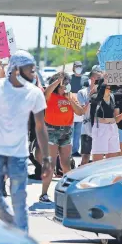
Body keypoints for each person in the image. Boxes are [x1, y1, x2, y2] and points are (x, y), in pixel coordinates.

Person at [0, 50, 50, 232]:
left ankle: (23, 241)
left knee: (19, 200)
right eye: (30, 70)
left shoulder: (35, 93)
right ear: (17, 70)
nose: (34, 73)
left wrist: (46, 159)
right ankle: (14, 225)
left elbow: (40, 127)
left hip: (19, 156)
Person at [40, 72, 84, 202]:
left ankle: (67, 193)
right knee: (51, 164)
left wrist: (70, 99)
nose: (65, 86)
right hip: (51, 131)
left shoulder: (70, 96)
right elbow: (45, 93)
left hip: (66, 132)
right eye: (63, 83)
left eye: (66, 83)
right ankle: (44, 193)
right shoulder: (50, 95)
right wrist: (56, 82)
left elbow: (80, 111)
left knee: (66, 164)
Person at [77, 66, 103, 166]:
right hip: (87, 129)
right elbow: (83, 110)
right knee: (85, 158)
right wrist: (90, 96)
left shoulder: (103, 93)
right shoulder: (82, 93)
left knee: (99, 158)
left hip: (100, 128)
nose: (99, 80)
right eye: (98, 78)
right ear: (92, 78)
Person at [70, 61, 88, 157]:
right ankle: (68, 149)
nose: (78, 68)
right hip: (71, 105)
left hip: (81, 106)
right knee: (70, 130)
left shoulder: (85, 78)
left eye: (80, 66)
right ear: (73, 68)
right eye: (77, 66)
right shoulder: (69, 78)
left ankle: (75, 150)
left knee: (78, 131)